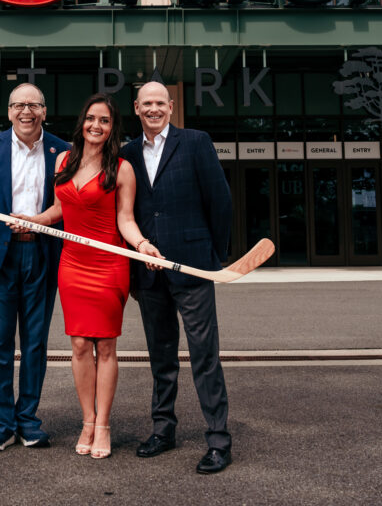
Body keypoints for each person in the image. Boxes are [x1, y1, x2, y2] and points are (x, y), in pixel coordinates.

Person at [17, 94, 161, 460]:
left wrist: (142, 245)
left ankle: (104, 426)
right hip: (73, 264)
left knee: (106, 347)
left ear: (113, 129)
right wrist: (30, 220)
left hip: (109, 265)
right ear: (82, 122)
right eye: (91, 118)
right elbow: (57, 211)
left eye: (105, 121)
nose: (96, 126)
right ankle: (87, 420)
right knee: (79, 345)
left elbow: (125, 220)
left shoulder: (122, 168)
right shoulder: (64, 160)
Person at [119, 81, 235, 474]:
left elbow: (220, 201)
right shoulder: (127, 153)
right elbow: (126, 212)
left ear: (170, 106)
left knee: (205, 356)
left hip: (193, 267)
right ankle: (163, 429)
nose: (153, 109)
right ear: (136, 108)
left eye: (159, 103)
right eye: (146, 103)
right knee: (161, 356)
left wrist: (213, 259)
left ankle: (218, 440)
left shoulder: (196, 142)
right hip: (149, 275)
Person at [0, 83, 69, 452]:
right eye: (19, 105)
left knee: (36, 344)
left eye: (34, 105)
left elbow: (70, 206)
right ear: (9, 112)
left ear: (44, 111)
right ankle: (0, 425)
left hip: (41, 255)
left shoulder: (63, 152)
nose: (27, 111)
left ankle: (29, 422)